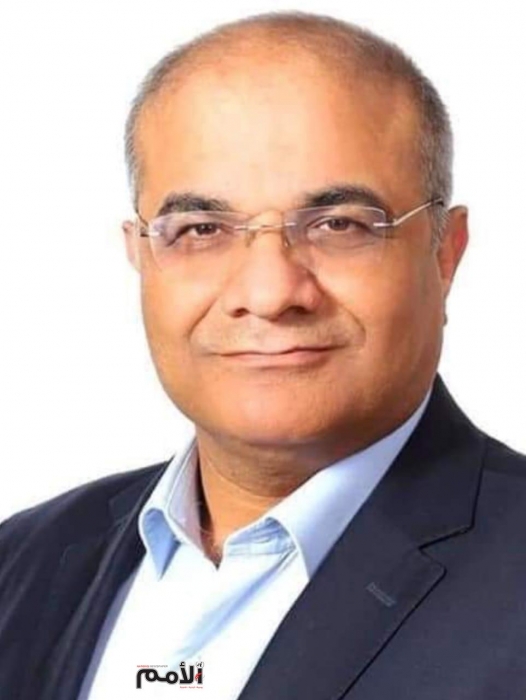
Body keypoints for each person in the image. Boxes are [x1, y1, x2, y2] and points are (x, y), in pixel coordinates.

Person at [1, 10, 525, 700]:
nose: (270, 293)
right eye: (201, 229)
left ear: (444, 254)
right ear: (141, 255)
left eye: (339, 224)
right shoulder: (25, 563)